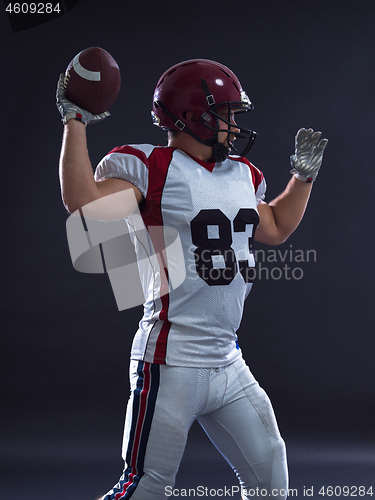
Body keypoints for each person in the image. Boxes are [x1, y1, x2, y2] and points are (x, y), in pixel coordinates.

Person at [56, 58, 327, 500]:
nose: (235, 124)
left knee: (270, 480)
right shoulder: (152, 166)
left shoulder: (243, 173)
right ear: (193, 115)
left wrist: (303, 178)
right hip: (170, 359)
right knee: (145, 488)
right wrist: (76, 120)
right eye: (229, 113)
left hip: (226, 358)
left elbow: (274, 226)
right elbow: (84, 204)